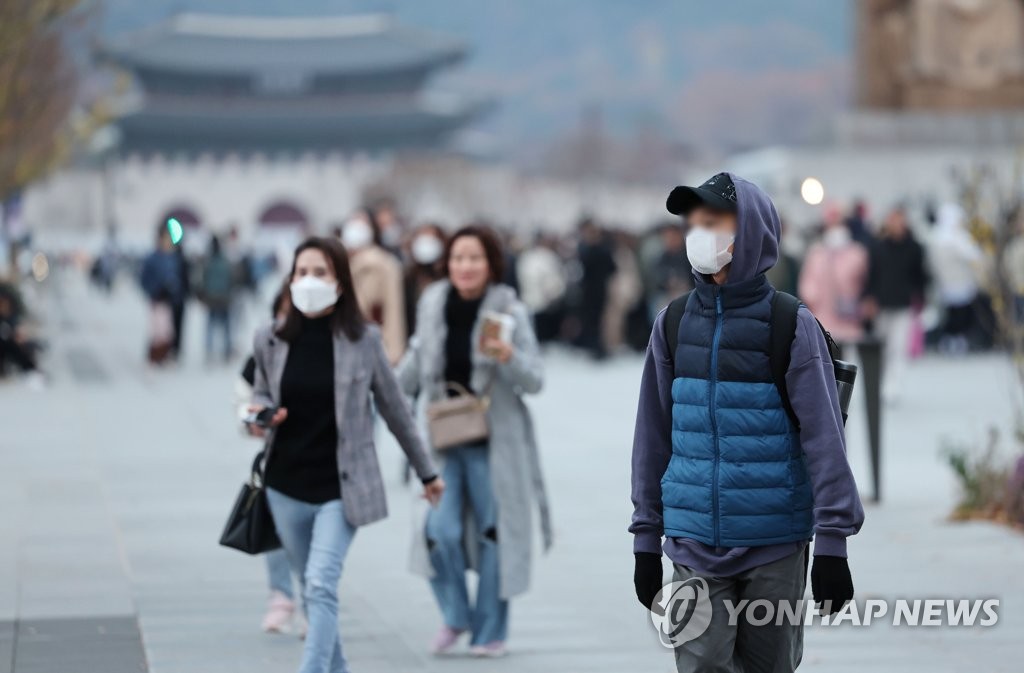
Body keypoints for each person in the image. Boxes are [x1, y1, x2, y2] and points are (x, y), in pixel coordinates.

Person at [630, 173, 864, 672]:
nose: (699, 232)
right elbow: (651, 437)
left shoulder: (790, 323)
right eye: (695, 221)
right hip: (693, 540)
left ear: (749, 233)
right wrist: (646, 540)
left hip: (773, 542)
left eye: (712, 221)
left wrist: (833, 543)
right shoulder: (672, 324)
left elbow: (825, 439)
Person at [249, 236, 445, 673]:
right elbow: (259, 391)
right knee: (312, 589)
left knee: (320, 582)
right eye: (301, 273)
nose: (309, 282)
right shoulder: (270, 339)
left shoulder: (363, 340)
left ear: (340, 281)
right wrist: (260, 414)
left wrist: (427, 472)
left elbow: (396, 411)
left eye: (320, 272)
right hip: (284, 487)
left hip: (342, 488)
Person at [397, 224, 553, 658]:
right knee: (436, 529)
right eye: (458, 258)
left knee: (494, 535)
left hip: (494, 439)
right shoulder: (432, 304)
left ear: (491, 264)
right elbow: (414, 360)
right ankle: (455, 615)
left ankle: (490, 631)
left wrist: (509, 358)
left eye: (475, 258)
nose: (465, 266)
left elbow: (535, 379)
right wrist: (384, 391)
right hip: (443, 437)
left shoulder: (508, 311)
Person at [863, 206, 929, 403]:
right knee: (881, 347)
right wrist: (869, 299)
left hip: (904, 305)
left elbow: (921, 277)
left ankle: (894, 385)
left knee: (899, 347)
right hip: (882, 305)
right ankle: (882, 382)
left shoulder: (915, 248)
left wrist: (920, 300)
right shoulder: (878, 248)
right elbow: (871, 277)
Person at [338, 210, 407, 364]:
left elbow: (393, 310)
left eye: (362, 223)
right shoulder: (336, 261)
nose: (356, 228)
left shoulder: (385, 264)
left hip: (373, 344)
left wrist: (394, 353)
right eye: (353, 222)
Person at [798, 204, 870, 344]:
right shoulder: (816, 254)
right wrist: (813, 297)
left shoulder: (857, 253)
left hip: (850, 318)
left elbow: (865, 281)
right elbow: (807, 283)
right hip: (822, 318)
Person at [929, 203, 985, 354]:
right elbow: (975, 255)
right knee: (957, 314)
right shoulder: (954, 238)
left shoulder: (938, 237)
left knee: (955, 313)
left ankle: (954, 340)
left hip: (951, 284)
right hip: (956, 283)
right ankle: (953, 340)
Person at [140, 223, 185, 364]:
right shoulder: (153, 258)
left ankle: (163, 355)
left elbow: (178, 277)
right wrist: (155, 288)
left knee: (167, 331)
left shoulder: (172, 257)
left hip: (169, 299)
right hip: (157, 298)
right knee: (158, 330)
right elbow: (144, 279)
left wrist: (175, 289)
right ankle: (154, 356)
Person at [575, 217, 617, 360]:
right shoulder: (598, 249)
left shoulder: (591, 249)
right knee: (594, 320)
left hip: (595, 290)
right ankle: (595, 347)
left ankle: (597, 348)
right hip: (593, 290)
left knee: (597, 320)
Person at [199, 235, 237, 363]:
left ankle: (209, 351)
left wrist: (203, 295)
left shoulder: (208, 261)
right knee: (226, 328)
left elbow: (202, 280)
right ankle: (226, 351)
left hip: (212, 298)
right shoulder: (225, 261)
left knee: (211, 327)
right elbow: (231, 279)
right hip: (224, 299)